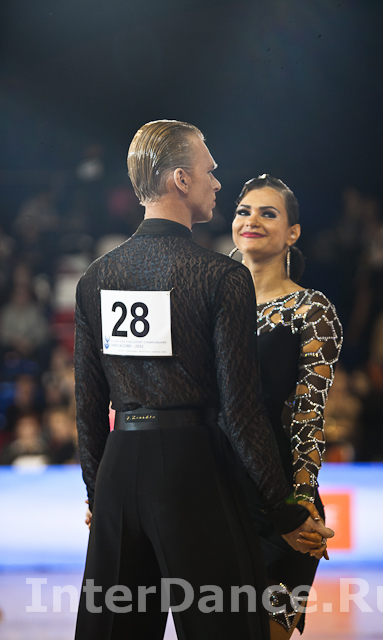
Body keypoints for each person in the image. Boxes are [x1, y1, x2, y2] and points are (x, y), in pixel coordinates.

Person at [74, 122, 333, 640]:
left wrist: (98, 493)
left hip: (120, 471)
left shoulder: (95, 277)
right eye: (209, 171)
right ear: (181, 179)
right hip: (194, 472)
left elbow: (88, 404)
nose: (217, 183)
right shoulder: (222, 276)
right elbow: (241, 412)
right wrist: (284, 512)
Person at [230, 174, 343, 638]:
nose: (251, 220)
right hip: (213, 497)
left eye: (267, 213)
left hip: (281, 504)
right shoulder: (209, 305)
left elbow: (308, 416)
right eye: (243, 211)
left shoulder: (312, 311)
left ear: (292, 233)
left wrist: (299, 502)